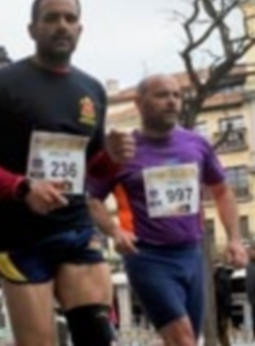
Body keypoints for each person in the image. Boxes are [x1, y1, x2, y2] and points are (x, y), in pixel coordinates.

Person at [0, 0, 134, 346]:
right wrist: (22, 188)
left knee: (97, 337)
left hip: (75, 229)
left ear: (80, 30)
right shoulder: (0, 85)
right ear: (32, 29)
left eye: (70, 18)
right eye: (51, 18)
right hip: (18, 236)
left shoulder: (91, 90)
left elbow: (94, 167)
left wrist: (114, 157)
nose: (62, 26)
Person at [86, 74, 248, 345]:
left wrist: (233, 238)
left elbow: (222, 191)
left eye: (176, 95)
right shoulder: (122, 150)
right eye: (162, 95)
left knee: (186, 339)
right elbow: (93, 199)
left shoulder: (197, 144)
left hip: (192, 254)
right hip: (147, 256)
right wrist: (115, 232)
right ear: (139, 103)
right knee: (183, 339)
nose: (172, 102)